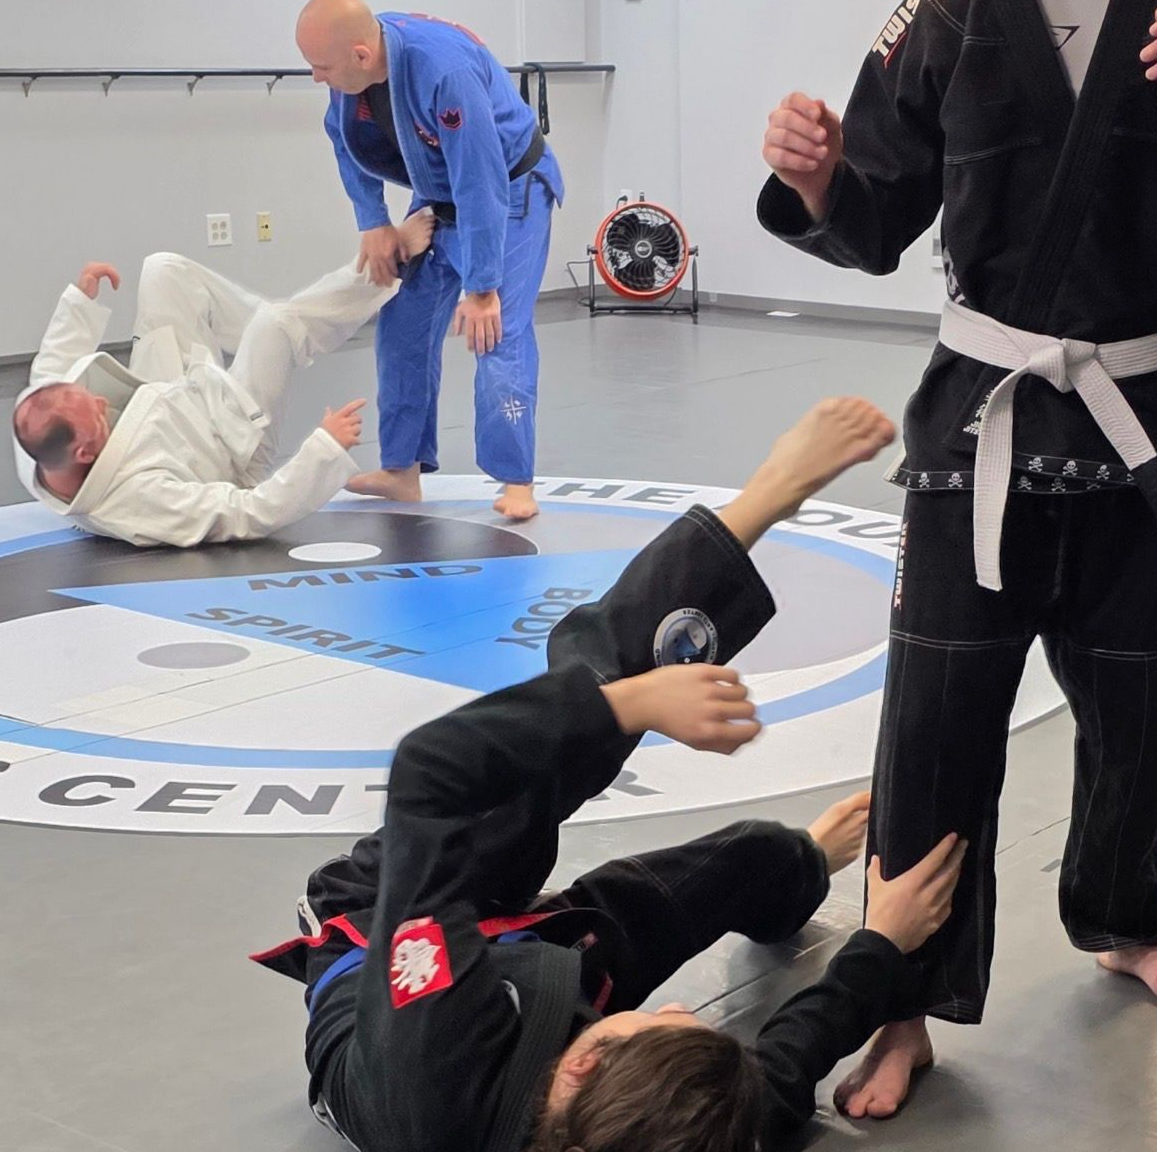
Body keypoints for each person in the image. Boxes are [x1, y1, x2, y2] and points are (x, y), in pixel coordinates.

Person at [758, 0, 1157, 1118]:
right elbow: (877, 219)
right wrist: (822, 183)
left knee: (1133, 708)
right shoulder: (944, 9)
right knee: (935, 731)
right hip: (978, 422)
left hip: (1146, 417)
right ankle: (903, 1003)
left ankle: (1121, 922)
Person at [253, 397, 969, 1152]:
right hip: (531, 1003)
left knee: (520, 780)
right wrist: (881, 946)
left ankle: (763, 498)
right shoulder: (647, 1132)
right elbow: (781, 1070)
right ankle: (803, 864)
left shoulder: (433, 1055)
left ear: (585, 1060)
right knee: (761, 855)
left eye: (660, 1021)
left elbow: (429, 778)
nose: (671, 1009)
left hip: (384, 948)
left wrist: (624, 707)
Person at [296, 0, 563, 522]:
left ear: (361, 55)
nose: (315, 78)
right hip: (438, 194)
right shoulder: (353, 63)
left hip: (508, 194)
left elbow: (481, 179)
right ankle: (401, 470)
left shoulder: (443, 72)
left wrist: (483, 286)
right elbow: (343, 140)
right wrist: (373, 221)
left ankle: (517, 480)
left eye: (321, 67)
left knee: (497, 330)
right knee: (404, 321)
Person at [13, 219, 432, 546]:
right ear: (84, 451)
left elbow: (52, 368)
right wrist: (320, 450)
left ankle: (287, 336)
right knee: (276, 323)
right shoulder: (137, 503)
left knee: (164, 270)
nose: (101, 402)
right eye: (96, 415)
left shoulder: (37, 424)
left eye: (89, 397)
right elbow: (248, 513)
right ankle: (390, 263)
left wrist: (80, 302)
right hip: (230, 448)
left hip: (163, 398)